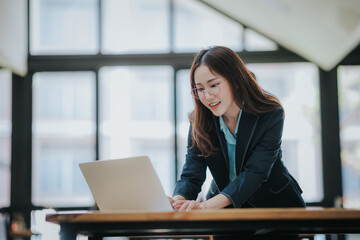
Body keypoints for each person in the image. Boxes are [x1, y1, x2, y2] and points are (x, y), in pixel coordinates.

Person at [169, 46, 305, 212]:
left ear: (235, 80)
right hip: (222, 209)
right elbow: (191, 174)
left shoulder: (270, 113)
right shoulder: (199, 120)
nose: (207, 96)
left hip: (273, 206)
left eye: (213, 85)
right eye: (200, 89)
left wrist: (205, 205)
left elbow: (256, 172)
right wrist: (176, 201)